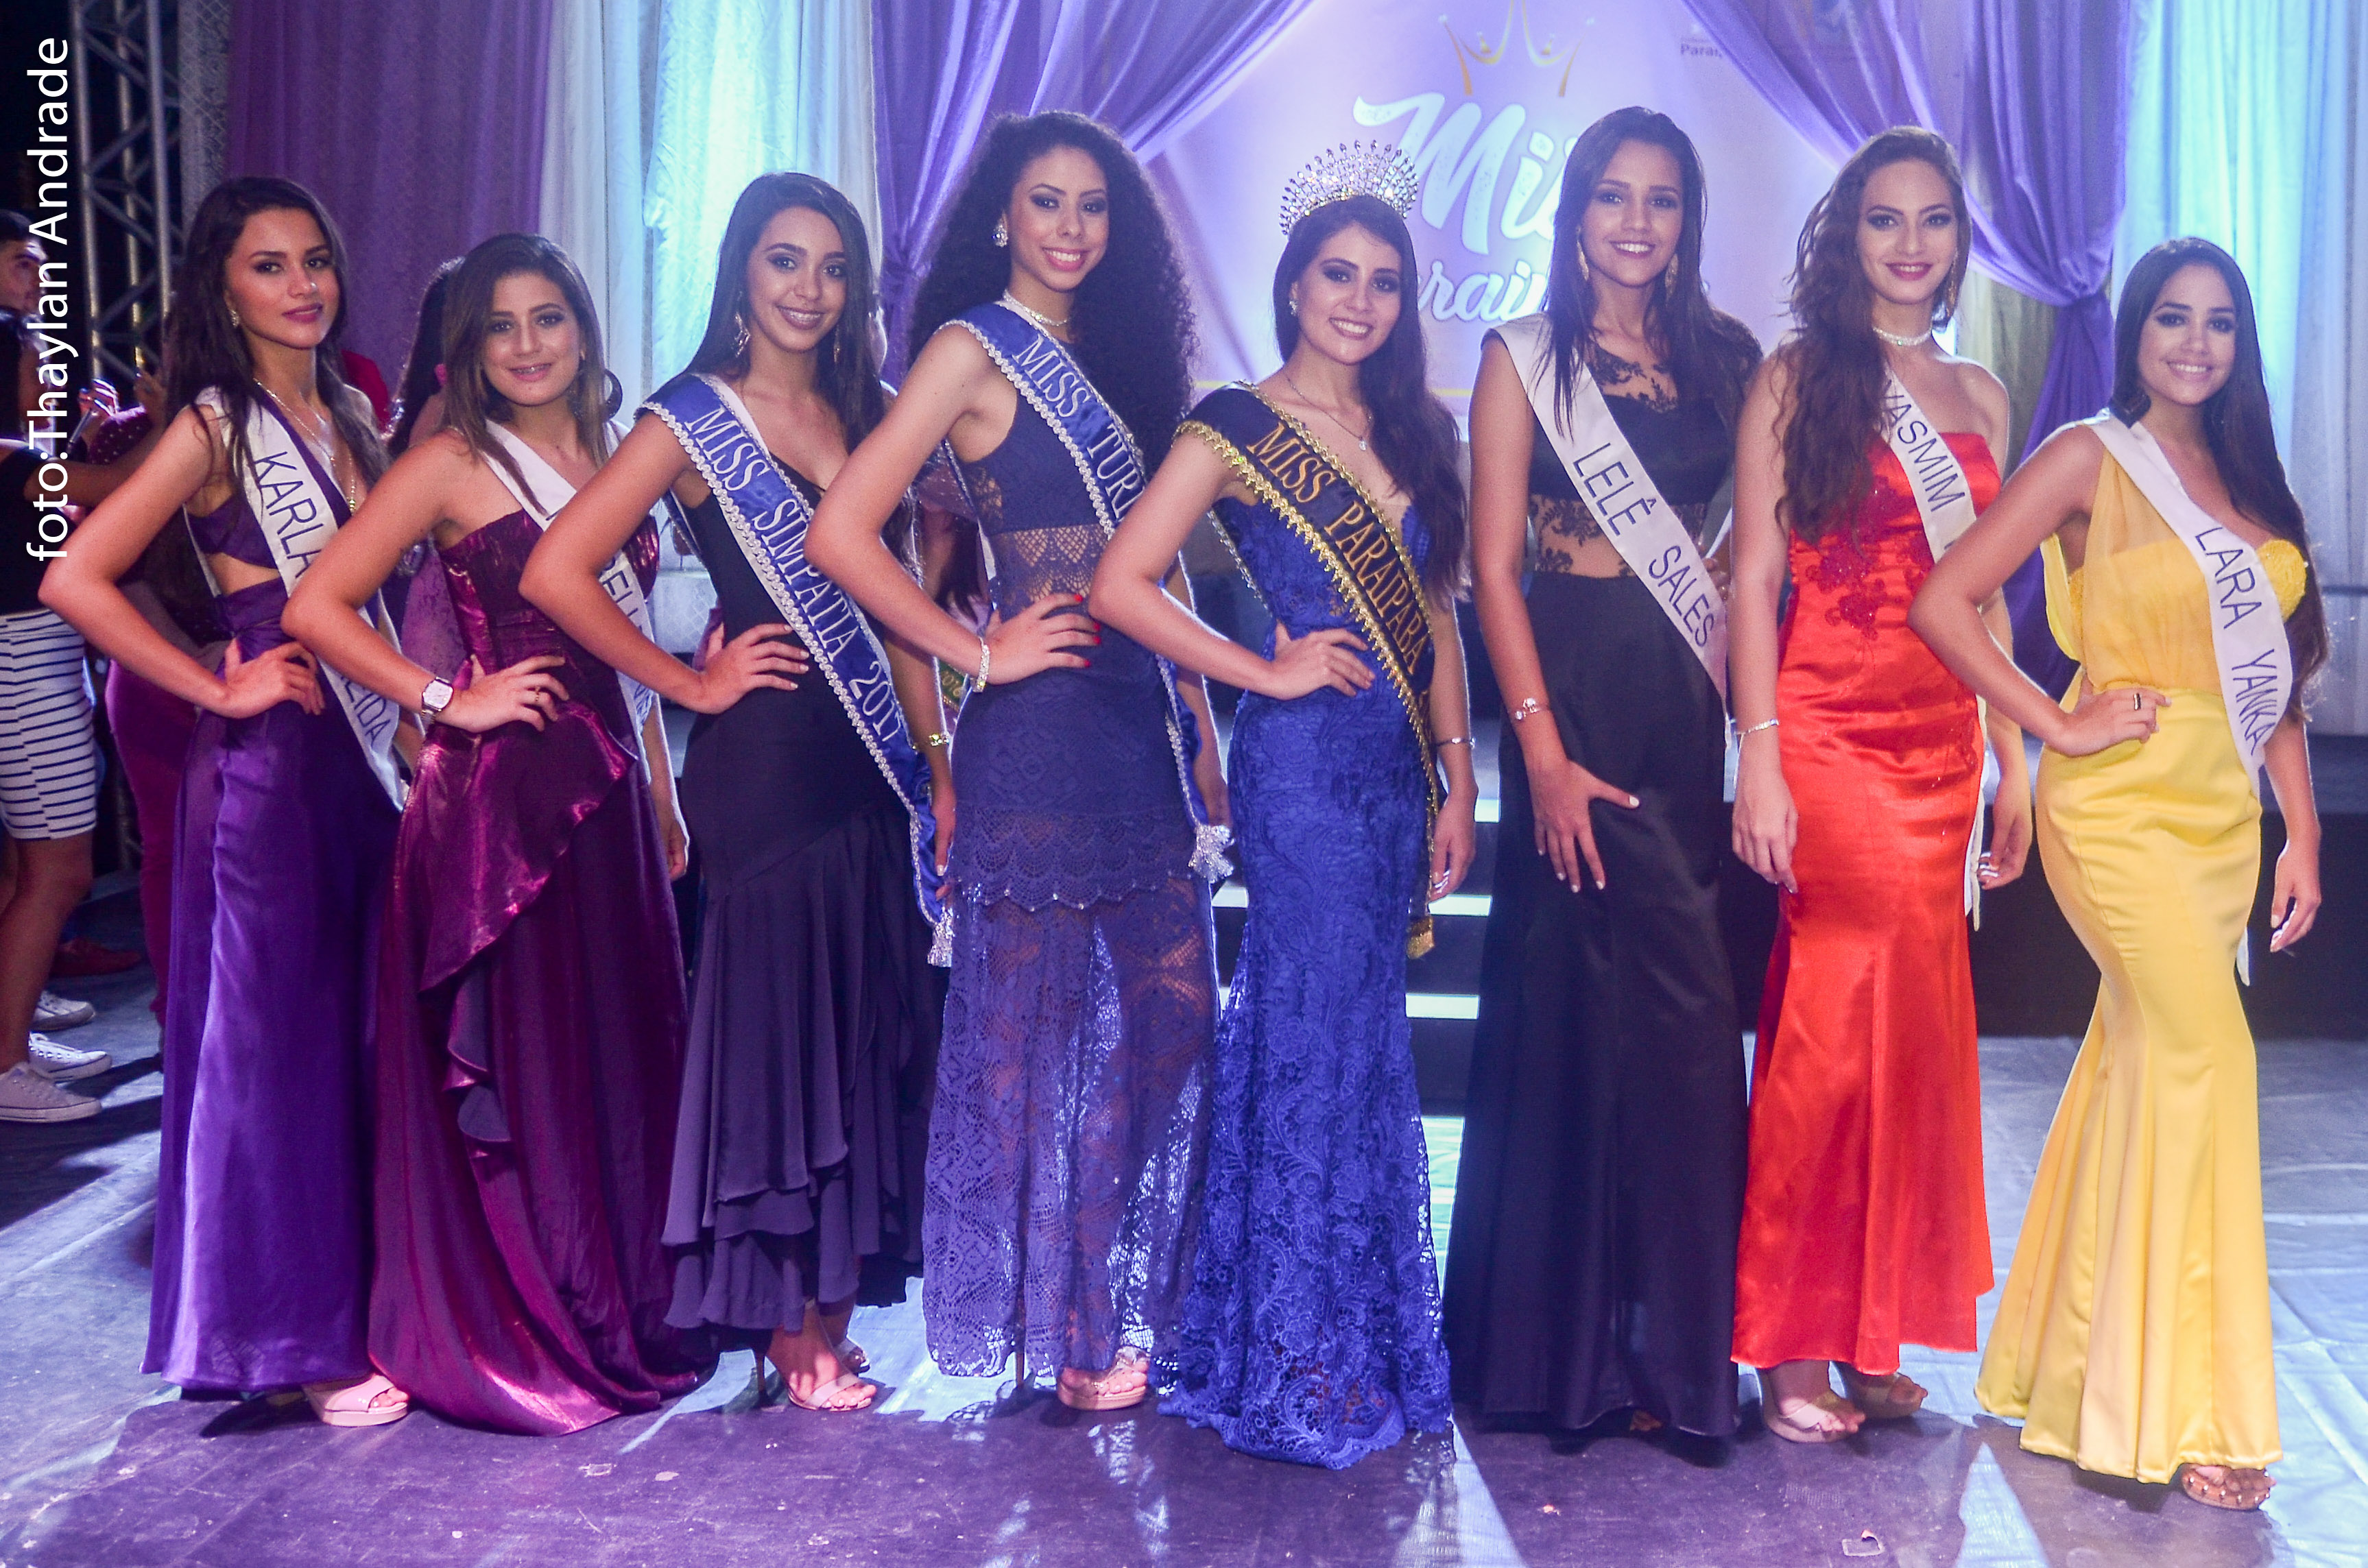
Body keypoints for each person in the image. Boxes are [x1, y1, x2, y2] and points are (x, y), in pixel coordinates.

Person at [806, 111, 1224, 1413]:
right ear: (1001, 212)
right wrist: (975, 653)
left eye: (1092, 206)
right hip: (1035, 733)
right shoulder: (970, 350)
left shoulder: (1126, 357)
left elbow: (1156, 561)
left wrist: (1204, 720)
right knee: (1027, 1042)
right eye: (1046, 201)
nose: (1070, 228)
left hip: (1137, 725)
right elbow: (840, 531)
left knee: (1171, 1022)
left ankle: (1098, 1295)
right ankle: (1071, 1329)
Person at [524, 173, 949, 1416]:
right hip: (765, 774)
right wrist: (686, 683)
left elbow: (902, 616)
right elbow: (558, 569)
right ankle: (780, 1325)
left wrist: (940, 766)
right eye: (784, 260)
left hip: (870, 771)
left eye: (832, 267)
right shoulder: (691, 418)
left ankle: (829, 1312)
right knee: (778, 1043)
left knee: (861, 1036)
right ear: (741, 274)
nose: (809, 289)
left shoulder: (870, 410)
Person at [1912, 239, 2323, 1513]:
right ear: (2133, 331)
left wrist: (2303, 832)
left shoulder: (2248, 478)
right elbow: (1944, 600)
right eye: (2170, 318)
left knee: (2138, 1059)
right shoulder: (2088, 456)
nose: (2194, 342)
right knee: (2206, 1055)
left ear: (2238, 342)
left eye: (2217, 322)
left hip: (2222, 816)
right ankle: (2191, 1406)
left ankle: (2068, 1367)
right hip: (2119, 802)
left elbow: (2274, 686)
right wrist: (2054, 723)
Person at [285, 232, 707, 1434]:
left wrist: (665, 795)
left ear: (582, 328)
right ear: (467, 349)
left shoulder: (620, 455)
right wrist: (444, 698)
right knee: (525, 1080)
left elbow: (632, 648)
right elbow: (318, 604)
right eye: (498, 327)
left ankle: (615, 1305)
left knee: (611, 1066)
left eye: (547, 319)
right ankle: (526, 1323)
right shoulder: (448, 461)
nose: (527, 346)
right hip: (499, 818)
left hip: (611, 802)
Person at [1090, 152, 1474, 1467]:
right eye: (1336, 276)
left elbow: (1435, 614)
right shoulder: (1234, 426)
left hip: (1394, 777)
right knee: (1307, 1033)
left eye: (1384, 282)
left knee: (1361, 1042)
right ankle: (1292, 1352)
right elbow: (1122, 582)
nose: (1359, 302)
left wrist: (1457, 768)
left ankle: (1349, 1334)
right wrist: (1259, 671)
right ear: (1293, 286)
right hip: (1301, 773)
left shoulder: (1412, 429)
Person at [40, 176, 406, 1425]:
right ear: (224, 286)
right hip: (269, 772)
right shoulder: (212, 422)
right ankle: (294, 1340)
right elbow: (75, 576)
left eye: (316, 260)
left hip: (357, 766)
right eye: (269, 265)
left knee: (353, 1045)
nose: (303, 285)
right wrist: (213, 683)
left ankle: (354, 1310)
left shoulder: (348, 410)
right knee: (278, 1055)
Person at [1443, 106, 1764, 1443]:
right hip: (1566, 705)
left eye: (1662, 199)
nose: (1637, 223)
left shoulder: (1728, 360)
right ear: (1574, 212)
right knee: (1567, 1014)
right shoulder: (1521, 358)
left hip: (1678, 717)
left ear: (1686, 220)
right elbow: (1492, 569)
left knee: (1687, 1034)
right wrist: (1538, 754)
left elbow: (1749, 554)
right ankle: (1553, 1362)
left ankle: (1675, 1359)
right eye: (1613, 197)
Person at [1725, 128, 2028, 1442]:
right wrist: (1758, 754)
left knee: (1907, 1044)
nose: (1909, 245)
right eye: (1883, 219)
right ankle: (1787, 1340)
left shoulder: (1982, 395)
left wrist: (2012, 756)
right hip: (1831, 734)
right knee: (1827, 1034)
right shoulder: (1795, 377)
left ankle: (1868, 1328)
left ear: (1958, 240)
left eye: (1932, 221)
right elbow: (1751, 578)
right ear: (1846, 234)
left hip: (1943, 744)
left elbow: (1988, 600)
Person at [0, 319, 163, 1122]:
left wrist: (82, 441)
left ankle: (13, 1036)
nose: (47, 381)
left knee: (26, 870)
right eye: (33, 367)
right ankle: (5, 1067)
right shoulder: (13, 460)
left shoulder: (21, 460)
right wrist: (178, 419)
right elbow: (120, 486)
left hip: (35, 661)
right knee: (60, 871)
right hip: (26, 668)